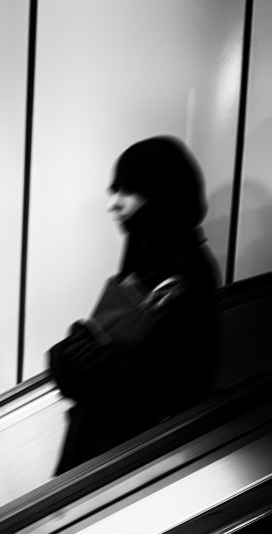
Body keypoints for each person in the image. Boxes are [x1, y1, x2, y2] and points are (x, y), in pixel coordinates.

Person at [49, 136, 221, 475]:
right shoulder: (146, 260)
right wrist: (80, 355)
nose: (113, 204)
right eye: (114, 191)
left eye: (126, 192)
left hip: (135, 461)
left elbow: (173, 376)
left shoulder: (186, 270)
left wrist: (91, 358)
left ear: (160, 195)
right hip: (106, 448)